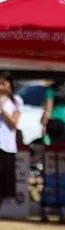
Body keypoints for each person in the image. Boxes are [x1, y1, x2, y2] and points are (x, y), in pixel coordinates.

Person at [0, 73, 22, 209]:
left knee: (4, 180)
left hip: (7, 145)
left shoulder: (16, 101)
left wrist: (3, 110)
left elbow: (14, 123)